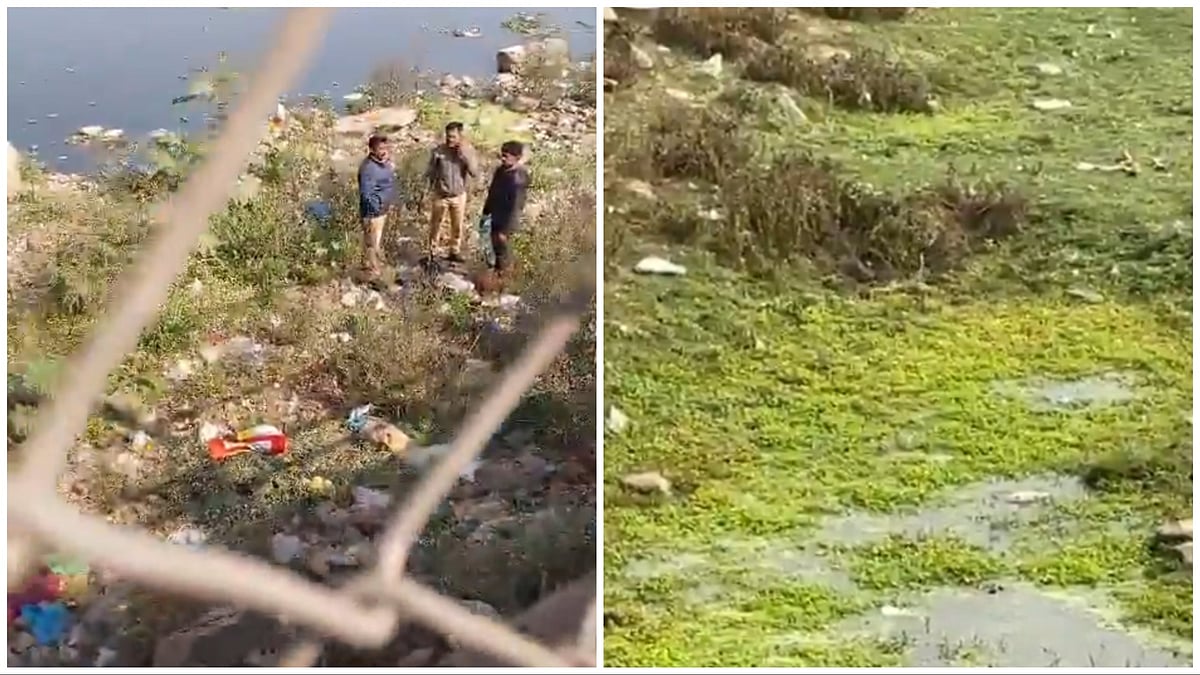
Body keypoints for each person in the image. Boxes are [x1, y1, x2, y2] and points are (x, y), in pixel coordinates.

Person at [425, 121, 479, 263]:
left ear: (460, 136)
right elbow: (430, 172)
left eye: (453, 136)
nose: (450, 139)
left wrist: (463, 155)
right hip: (440, 194)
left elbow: (474, 172)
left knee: (457, 226)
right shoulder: (438, 151)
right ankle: (432, 252)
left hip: (458, 195)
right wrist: (428, 189)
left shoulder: (468, 151)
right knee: (435, 225)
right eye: (448, 136)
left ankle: (454, 251)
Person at [481, 140, 530, 275]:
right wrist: (486, 211)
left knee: (504, 247)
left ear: (517, 158)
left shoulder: (519, 177)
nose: (503, 159)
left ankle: (506, 275)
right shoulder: (500, 171)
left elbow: (517, 205)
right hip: (496, 214)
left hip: (508, 218)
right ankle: (497, 270)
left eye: (506, 156)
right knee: (494, 245)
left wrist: (507, 228)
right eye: (502, 155)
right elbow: (492, 191)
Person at [357, 133, 396, 278]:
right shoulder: (368, 169)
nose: (384, 151)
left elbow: (386, 184)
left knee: (376, 242)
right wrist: (378, 207)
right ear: (372, 150)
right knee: (371, 244)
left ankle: (374, 267)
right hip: (373, 214)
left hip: (381, 211)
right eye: (380, 148)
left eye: (385, 147)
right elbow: (366, 194)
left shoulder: (383, 163)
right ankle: (373, 272)